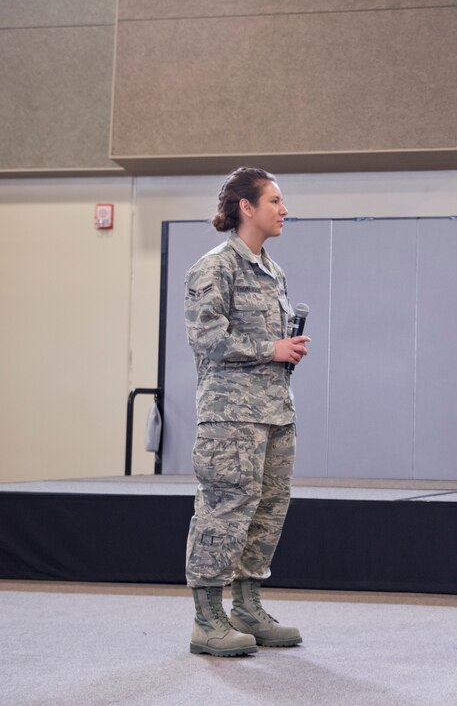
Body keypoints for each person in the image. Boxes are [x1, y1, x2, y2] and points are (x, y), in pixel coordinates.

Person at [183, 167, 310, 657]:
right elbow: (208, 338)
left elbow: (264, 346)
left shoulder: (272, 269)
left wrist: (285, 350)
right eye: (275, 200)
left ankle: (248, 607)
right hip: (230, 416)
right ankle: (207, 619)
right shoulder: (214, 268)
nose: (283, 209)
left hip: (274, 411)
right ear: (246, 207)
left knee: (267, 510)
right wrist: (271, 348)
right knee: (224, 510)